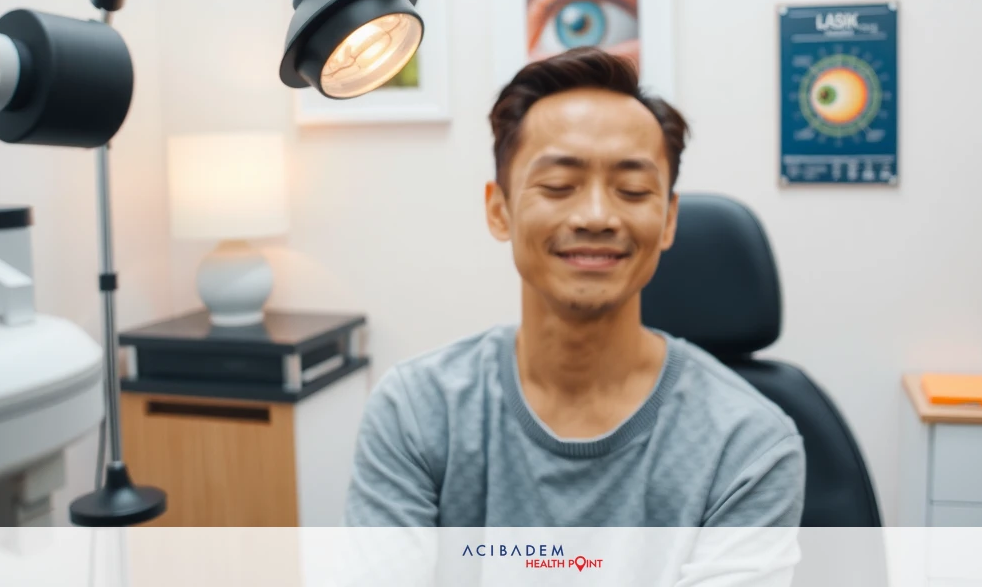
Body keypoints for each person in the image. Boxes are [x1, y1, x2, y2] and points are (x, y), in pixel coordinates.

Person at [344, 47, 805, 527]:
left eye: (632, 191)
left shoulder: (749, 445)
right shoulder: (418, 411)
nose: (596, 217)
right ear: (499, 209)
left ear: (669, 220)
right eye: (560, 185)